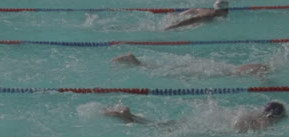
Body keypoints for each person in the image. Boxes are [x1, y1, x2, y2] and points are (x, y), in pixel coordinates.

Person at [103, 102, 287, 133]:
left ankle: (129, 115)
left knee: (161, 125)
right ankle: (128, 117)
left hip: (201, 121)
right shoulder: (263, 122)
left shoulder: (252, 113)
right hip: (206, 129)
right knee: (160, 128)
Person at [111, 53, 272, 78]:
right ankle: (136, 63)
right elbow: (260, 74)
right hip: (214, 71)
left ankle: (139, 63)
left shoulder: (257, 64)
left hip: (217, 67)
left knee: (174, 69)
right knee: (174, 72)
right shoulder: (261, 68)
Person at [165, 0, 229, 30]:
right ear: (219, 10)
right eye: (226, 10)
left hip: (189, 14)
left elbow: (195, 10)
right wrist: (173, 26)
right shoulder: (208, 16)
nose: (227, 11)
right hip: (185, 21)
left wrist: (179, 14)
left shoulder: (212, 11)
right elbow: (192, 20)